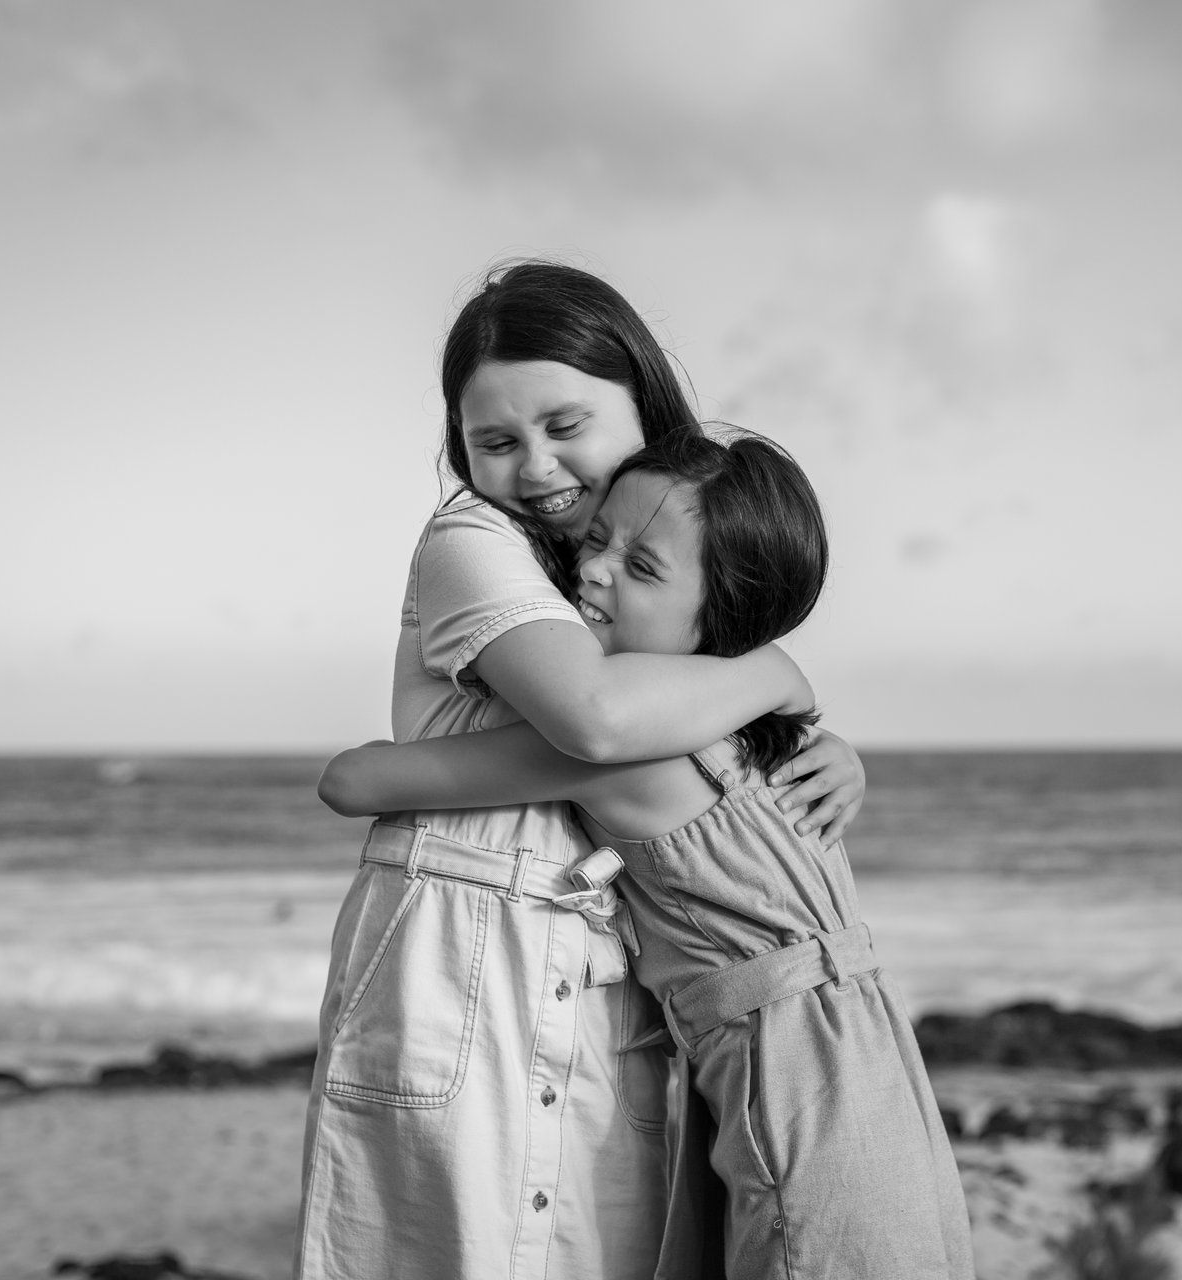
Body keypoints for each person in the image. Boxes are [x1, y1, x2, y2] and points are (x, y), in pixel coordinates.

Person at [296, 263, 867, 1280]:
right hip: (464, 959)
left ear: (645, 405)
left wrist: (816, 746)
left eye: (566, 425)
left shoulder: (640, 568)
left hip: (609, 971)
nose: (536, 466)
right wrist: (775, 673)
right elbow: (595, 721)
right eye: (495, 442)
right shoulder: (474, 539)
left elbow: (680, 750)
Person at [319, 431, 975, 1280]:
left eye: (642, 567)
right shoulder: (753, 727)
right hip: (869, 1058)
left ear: (724, 618)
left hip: (794, 1081)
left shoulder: (630, 750)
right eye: (595, 540)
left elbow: (353, 781)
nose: (593, 571)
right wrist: (780, 675)